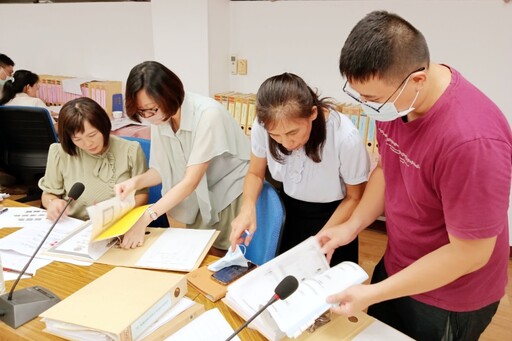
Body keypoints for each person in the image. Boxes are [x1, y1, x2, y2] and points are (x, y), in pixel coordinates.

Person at [317, 11, 511, 341]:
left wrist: (373, 293)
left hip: (451, 293)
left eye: (372, 100)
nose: (368, 107)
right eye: (360, 96)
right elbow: (387, 168)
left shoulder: (472, 142)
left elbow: (471, 253)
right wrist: (353, 224)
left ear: (417, 80)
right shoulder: (396, 101)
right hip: (398, 264)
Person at [229, 73, 370, 265]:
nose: (286, 143)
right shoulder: (263, 126)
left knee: (327, 288)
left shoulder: (344, 137)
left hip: (334, 220)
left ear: (312, 113)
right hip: (287, 215)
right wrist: (247, 207)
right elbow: (255, 173)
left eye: (292, 133)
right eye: (276, 135)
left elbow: (355, 197)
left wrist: (318, 242)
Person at [115, 61, 250, 252]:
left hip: (227, 193)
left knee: (223, 259)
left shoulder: (208, 115)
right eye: (141, 111)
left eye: (151, 108)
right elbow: (162, 170)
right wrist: (135, 183)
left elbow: (190, 181)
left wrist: (146, 217)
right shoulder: (161, 118)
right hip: (199, 194)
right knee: (198, 254)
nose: (148, 116)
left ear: (169, 94)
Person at [38, 97, 148, 222]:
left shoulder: (130, 150)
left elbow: (141, 194)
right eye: (77, 139)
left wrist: (117, 214)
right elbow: (48, 195)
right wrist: (53, 202)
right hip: (73, 224)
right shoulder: (59, 153)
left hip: (116, 223)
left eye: (92, 135)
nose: (88, 144)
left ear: (103, 126)